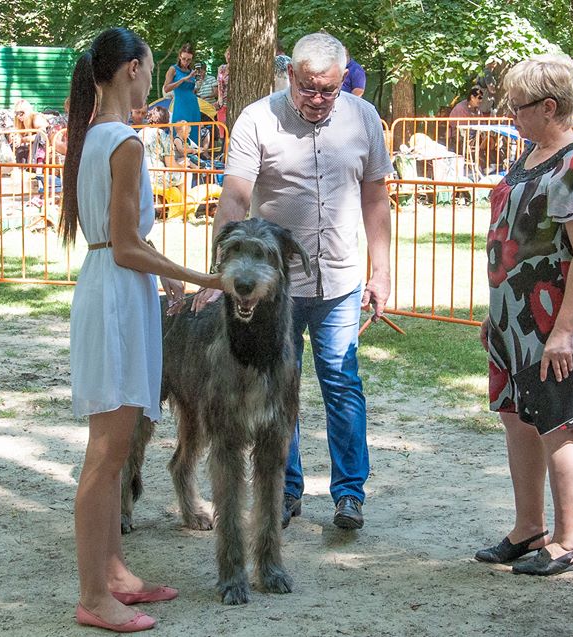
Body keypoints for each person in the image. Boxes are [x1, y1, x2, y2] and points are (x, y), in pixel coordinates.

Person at [192, 32, 392, 532]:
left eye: (329, 90)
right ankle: (285, 490)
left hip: (341, 278)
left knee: (343, 383)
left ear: (344, 80)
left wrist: (383, 270)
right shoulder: (257, 118)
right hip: (274, 290)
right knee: (279, 388)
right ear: (290, 76)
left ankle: (349, 495)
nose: (318, 99)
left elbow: (375, 199)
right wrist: (219, 275)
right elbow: (235, 201)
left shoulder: (364, 118)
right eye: (308, 88)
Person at [58, 27, 221, 633]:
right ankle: (91, 594)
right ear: (131, 69)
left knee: (117, 444)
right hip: (117, 299)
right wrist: (202, 275)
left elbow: (117, 238)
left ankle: (115, 575)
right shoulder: (123, 140)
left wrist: (164, 276)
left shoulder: (97, 136)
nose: (153, 77)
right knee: (106, 454)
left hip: (113, 289)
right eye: (149, 67)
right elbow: (126, 246)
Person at [477, 53, 573, 576]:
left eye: (518, 106)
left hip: (555, 318)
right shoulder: (529, 156)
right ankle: (529, 527)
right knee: (517, 419)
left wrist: (563, 333)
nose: (511, 114)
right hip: (514, 318)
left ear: (549, 106)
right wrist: (497, 315)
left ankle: (572, 539)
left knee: (560, 424)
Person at [163, 43, 201, 144]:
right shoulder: (173, 69)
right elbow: (166, 88)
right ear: (180, 56)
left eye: (189, 59)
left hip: (193, 106)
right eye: (184, 58)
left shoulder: (192, 71)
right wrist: (184, 79)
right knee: (180, 132)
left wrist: (198, 84)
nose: (186, 62)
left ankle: (194, 157)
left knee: (193, 133)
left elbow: (193, 91)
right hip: (181, 105)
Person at [12, 99, 49, 167]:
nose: (18, 116)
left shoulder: (36, 118)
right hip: (33, 150)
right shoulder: (21, 123)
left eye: (21, 113)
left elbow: (43, 136)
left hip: (45, 150)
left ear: (27, 111)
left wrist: (23, 139)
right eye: (16, 113)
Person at [216, 48, 229, 124]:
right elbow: (219, 85)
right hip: (222, 103)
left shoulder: (237, 69)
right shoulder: (221, 68)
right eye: (227, 54)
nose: (228, 56)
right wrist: (219, 99)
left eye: (230, 54)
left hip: (230, 102)